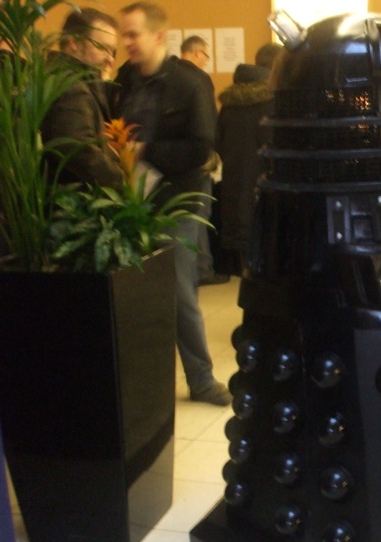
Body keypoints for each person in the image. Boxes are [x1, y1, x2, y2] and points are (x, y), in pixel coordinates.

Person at [111, 1, 232, 406]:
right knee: (134, 291)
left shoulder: (190, 83)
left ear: (159, 35)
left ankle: (201, 380)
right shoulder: (125, 78)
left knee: (179, 292)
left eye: (133, 34)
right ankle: (142, 381)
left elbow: (201, 146)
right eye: (124, 34)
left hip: (177, 198)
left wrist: (147, 150)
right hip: (132, 198)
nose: (126, 42)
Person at [215, 42, 280, 273]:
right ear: (276, 66)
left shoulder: (229, 104)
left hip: (234, 188)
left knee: (246, 259)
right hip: (265, 189)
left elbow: (219, 143)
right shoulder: (274, 102)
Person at [40, 7, 122, 189]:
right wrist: (121, 179)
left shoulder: (62, 79)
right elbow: (78, 150)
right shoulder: (71, 86)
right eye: (103, 48)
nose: (110, 59)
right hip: (76, 197)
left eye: (113, 51)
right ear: (73, 43)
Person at [178, 35, 229, 286]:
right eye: (206, 56)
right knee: (200, 213)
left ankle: (191, 269)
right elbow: (208, 122)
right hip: (198, 159)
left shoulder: (170, 76)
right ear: (197, 52)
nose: (206, 61)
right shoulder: (199, 80)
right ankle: (202, 268)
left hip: (176, 161)